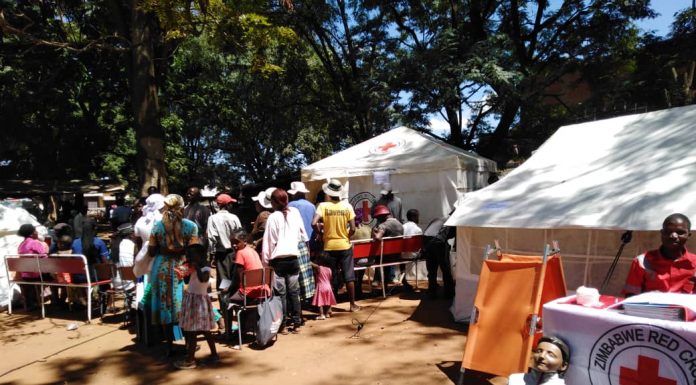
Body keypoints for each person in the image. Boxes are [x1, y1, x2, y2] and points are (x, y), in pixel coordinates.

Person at [147, 194, 202, 356]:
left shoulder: (157, 226)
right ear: (182, 207)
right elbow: (194, 251)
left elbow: (151, 251)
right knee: (185, 305)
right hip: (183, 267)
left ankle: (169, 347)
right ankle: (188, 345)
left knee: (165, 306)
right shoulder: (191, 226)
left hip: (162, 268)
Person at [262, 189, 307, 333]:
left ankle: (282, 324)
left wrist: (265, 263)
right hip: (293, 259)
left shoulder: (273, 217)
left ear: (274, 202)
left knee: (280, 294)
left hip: (278, 262)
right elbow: (303, 236)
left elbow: (268, 242)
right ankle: (297, 322)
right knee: (294, 292)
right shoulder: (294, 213)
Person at [312, 179, 361, 312]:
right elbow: (353, 228)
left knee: (330, 275)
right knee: (349, 276)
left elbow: (313, 223)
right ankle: (352, 305)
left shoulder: (323, 206)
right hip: (344, 245)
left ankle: (330, 305)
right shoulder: (347, 206)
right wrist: (347, 236)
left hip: (329, 246)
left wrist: (320, 234)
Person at [623, 213, 696, 296]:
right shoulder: (642, 261)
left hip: (686, 308)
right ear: (662, 233)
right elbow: (630, 296)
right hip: (649, 308)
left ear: (688, 235)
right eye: (668, 231)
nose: (673, 236)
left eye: (680, 232)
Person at [175, 244, 218, 370]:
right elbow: (188, 281)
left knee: (198, 331)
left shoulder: (206, 267)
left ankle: (190, 360)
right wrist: (186, 270)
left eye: (191, 255)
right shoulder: (194, 266)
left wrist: (196, 267)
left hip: (199, 301)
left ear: (199, 255)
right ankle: (212, 355)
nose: (189, 257)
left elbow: (204, 279)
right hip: (192, 299)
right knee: (196, 331)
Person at [207, 193, 241, 329]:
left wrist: (212, 256)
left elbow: (211, 239)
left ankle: (227, 323)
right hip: (235, 254)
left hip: (222, 256)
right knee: (236, 284)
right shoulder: (234, 217)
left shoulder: (213, 219)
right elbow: (240, 236)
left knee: (224, 287)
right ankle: (237, 319)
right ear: (227, 204)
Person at [288, 181, 316, 303]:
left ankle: (299, 298)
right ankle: (312, 296)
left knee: (297, 272)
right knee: (310, 271)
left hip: (297, 242)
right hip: (311, 240)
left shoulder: (290, 206)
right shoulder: (311, 206)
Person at [422, 213, 456, 299]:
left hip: (426, 240)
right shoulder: (452, 221)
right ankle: (449, 293)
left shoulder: (437, 219)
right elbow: (452, 235)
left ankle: (432, 292)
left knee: (432, 269)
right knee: (445, 268)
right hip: (438, 241)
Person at [16, 223, 49, 310]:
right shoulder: (34, 243)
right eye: (35, 230)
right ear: (31, 234)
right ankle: (56, 302)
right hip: (36, 275)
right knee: (54, 277)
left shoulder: (21, 245)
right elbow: (44, 256)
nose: (37, 232)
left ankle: (32, 303)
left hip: (25, 275)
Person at [133, 193, 165, 279]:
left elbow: (138, 241)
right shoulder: (163, 220)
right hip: (161, 257)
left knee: (147, 281)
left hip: (144, 257)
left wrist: (141, 255)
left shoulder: (140, 220)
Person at [372, 205, 404, 286]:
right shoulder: (400, 224)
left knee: (378, 256)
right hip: (398, 255)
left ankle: (381, 283)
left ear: (382, 216)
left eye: (378, 217)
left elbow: (378, 237)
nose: (378, 219)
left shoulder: (383, 225)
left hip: (387, 257)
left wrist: (373, 231)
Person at [311, 253, 336, 320]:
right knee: (328, 301)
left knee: (320, 302)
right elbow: (330, 279)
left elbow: (314, 265)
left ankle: (321, 315)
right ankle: (327, 313)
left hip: (321, 287)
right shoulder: (329, 269)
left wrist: (308, 261)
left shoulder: (319, 268)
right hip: (328, 287)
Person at [250, 187, 275, 253]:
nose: (255, 204)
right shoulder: (272, 213)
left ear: (261, 204)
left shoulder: (263, 215)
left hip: (263, 249)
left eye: (257, 202)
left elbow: (255, 233)